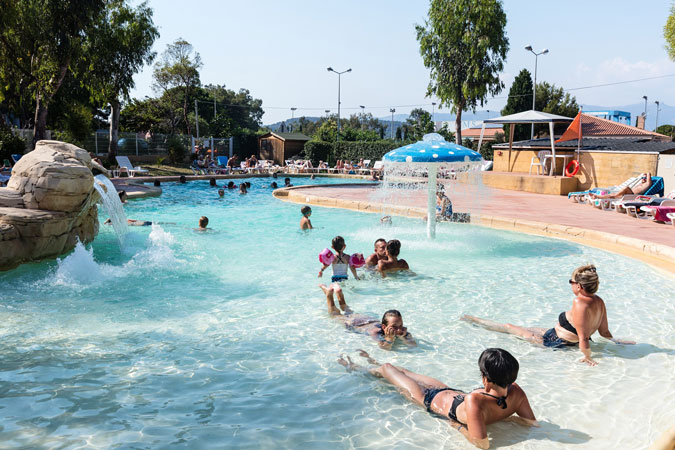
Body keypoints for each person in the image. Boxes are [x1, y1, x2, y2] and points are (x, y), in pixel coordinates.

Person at [338, 348, 537, 449]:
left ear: (485, 380)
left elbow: (482, 444)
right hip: (447, 391)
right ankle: (372, 365)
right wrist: (507, 418)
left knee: (388, 368)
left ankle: (359, 368)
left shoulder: (475, 401)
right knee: (403, 371)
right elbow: (530, 422)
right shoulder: (517, 391)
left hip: (427, 399)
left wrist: (458, 426)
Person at [462, 264, 635, 366]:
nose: (571, 285)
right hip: (558, 334)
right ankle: (473, 319)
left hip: (555, 341)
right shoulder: (599, 300)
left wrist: (587, 357)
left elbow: (583, 336)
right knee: (527, 328)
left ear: (580, 286)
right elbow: (604, 331)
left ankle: (472, 320)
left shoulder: (579, 303)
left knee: (509, 328)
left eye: (571, 282)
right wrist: (616, 341)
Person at [325, 304, 416, 350]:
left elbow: (413, 346)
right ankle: (329, 295)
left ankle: (339, 293)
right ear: (384, 327)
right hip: (356, 323)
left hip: (369, 319)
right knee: (335, 314)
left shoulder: (403, 332)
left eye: (401, 325)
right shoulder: (375, 332)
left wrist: (402, 337)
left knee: (348, 311)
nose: (399, 329)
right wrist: (389, 338)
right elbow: (384, 348)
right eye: (394, 327)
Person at [318, 236, 359, 314]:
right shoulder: (347, 257)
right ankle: (324, 287)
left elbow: (326, 264)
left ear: (332, 247)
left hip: (339, 279)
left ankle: (343, 307)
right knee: (338, 290)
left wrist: (321, 271)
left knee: (340, 291)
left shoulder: (333, 257)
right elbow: (352, 268)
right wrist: (356, 277)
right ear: (344, 246)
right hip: (338, 280)